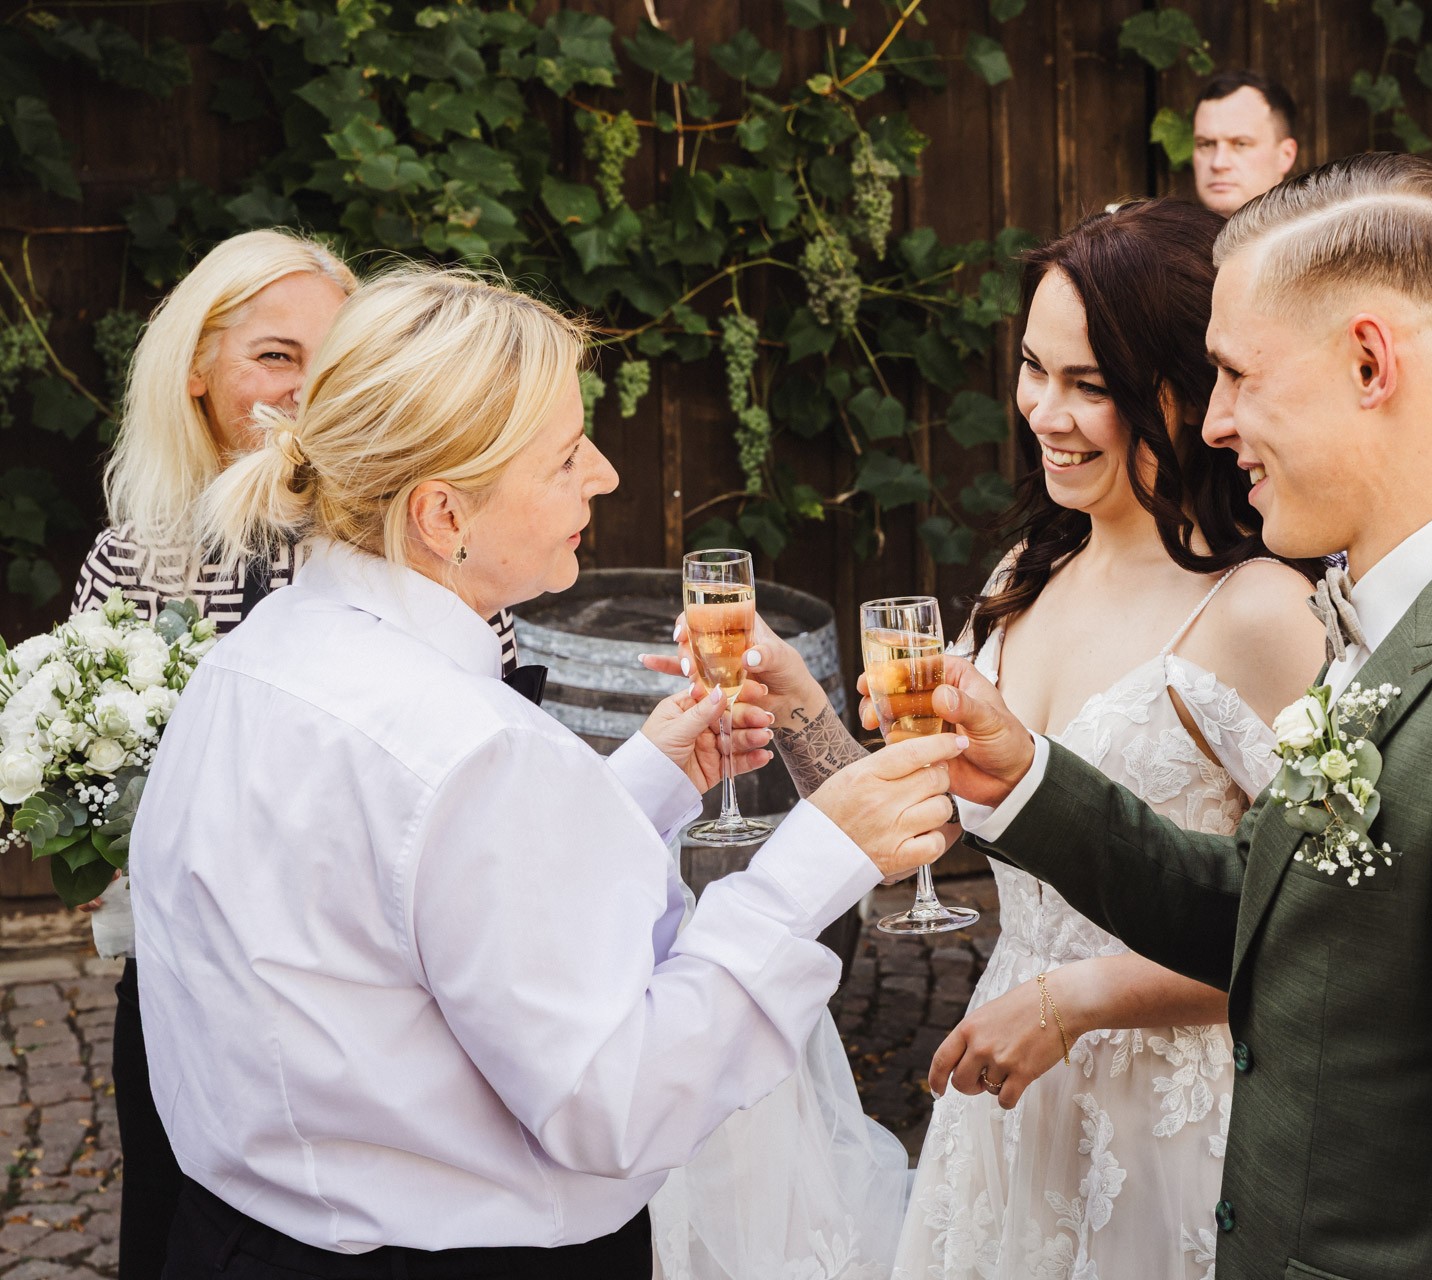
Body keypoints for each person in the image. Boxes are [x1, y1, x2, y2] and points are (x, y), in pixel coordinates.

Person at [919, 154, 1432, 1278]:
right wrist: (1032, 780)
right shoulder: (1394, 615)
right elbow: (1281, 918)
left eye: (1237, 376)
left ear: (1370, 362)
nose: (1218, 421)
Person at [129, 266, 964, 1277]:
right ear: (444, 515)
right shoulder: (468, 743)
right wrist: (817, 856)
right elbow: (614, 1101)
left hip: (234, 1241)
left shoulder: (255, 660)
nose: (606, 473)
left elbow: (405, 917)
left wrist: (646, 778)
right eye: (567, 455)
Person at [646, 198, 1325, 1278]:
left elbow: (1317, 933)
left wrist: (1081, 997)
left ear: (1180, 391)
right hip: (1009, 1100)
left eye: (1087, 385)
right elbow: (934, 820)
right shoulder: (1027, 574)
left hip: (1168, 1120)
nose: (1043, 411)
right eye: (1031, 369)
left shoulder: (1259, 614)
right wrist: (794, 705)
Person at [64, 228, 373, 1280]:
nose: (302, 388)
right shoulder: (133, 555)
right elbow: (98, 777)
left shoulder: (398, 538)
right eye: (274, 356)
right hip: (186, 978)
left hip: (355, 990)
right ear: (197, 367)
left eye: (329, 363)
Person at [1190, 71, 1299, 217]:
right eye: (1206, 144)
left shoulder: (1325, 239)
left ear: (1285, 155)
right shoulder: (1171, 238)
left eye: (1240, 144)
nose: (1218, 163)